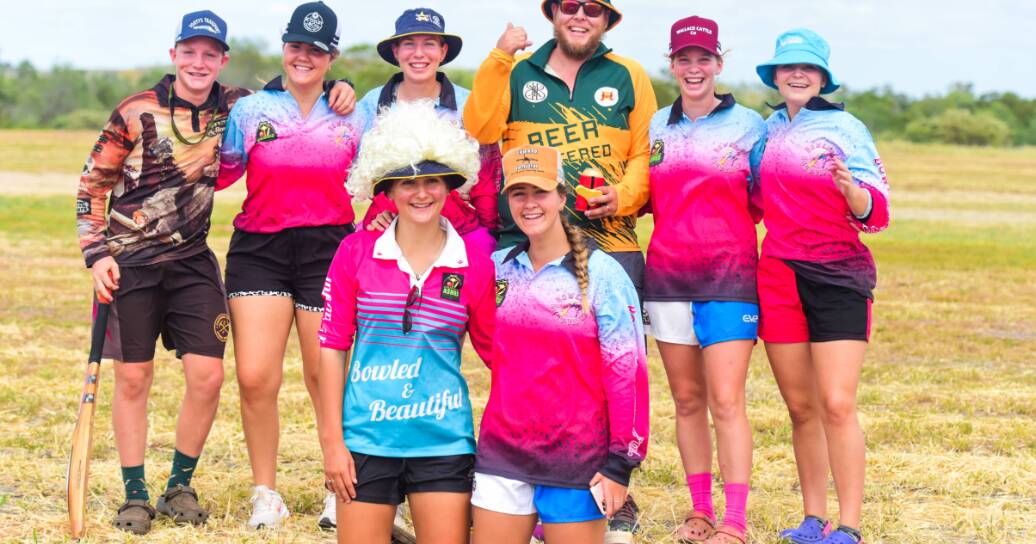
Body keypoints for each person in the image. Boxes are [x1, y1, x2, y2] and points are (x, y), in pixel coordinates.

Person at [75, 8, 352, 534]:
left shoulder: (236, 106)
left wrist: (341, 85)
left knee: (208, 376)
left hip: (192, 262)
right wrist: (97, 254)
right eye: (189, 52)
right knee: (134, 377)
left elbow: (294, 94)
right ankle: (136, 493)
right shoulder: (135, 111)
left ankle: (179, 484)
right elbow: (91, 185)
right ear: (174, 55)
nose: (198, 62)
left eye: (210, 54)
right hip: (130, 262)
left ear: (223, 61)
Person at [317, 100, 496, 544]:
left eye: (433, 180)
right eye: (407, 182)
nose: (421, 193)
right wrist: (333, 446)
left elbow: (499, 354)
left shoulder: (474, 260)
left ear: (450, 186)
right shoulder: (355, 251)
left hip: (444, 441)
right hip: (365, 441)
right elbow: (332, 347)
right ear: (389, 190)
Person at [216, 1, 364, 530]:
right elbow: (218, 174)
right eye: (296, 46)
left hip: (329, 249)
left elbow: (377, 181)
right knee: (256, 377)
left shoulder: (354, 112)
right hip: (260, 248)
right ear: (284, 49)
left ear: (331, 57)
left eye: (317, 50)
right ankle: (266, 494)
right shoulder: (250, 111)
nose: (304, 57)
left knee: (324, 376)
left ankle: (339, 487)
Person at [470, 145, 649, 544]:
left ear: (562, 197)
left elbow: (628, 375)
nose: (529, 204)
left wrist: (621, 463)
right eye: (519, 193)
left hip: (577, 457)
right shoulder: (497, 268)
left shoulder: (604, 274)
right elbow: (490, 346)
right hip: (503, 451)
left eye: (540, 192)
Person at [754, 29, 890, 544]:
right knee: (800, 406)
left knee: (836, 402)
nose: (796, 75)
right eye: (787, 67)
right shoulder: (766, 129)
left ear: (823, 77)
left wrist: (854, 193)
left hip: (838, 276)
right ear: (774, 76)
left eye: (807, 68)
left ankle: (849, 527)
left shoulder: (846, 128)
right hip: (780, 274)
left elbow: (878, 213)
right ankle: (813, 520)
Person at [645, 16, 767, 544]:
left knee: (726, 400)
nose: (694, 69)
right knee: (687, 400)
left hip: (730, 277)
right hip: (667, 276)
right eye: (684, 59)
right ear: (671, 64)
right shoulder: (654, 126)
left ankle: (735, 521)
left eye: (704, 59)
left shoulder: (750, 126)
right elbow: (645, 196)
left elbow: (763, 201)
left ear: (720, 63)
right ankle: (699, 512)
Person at [463, 0, 655, 307]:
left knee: (619, 350)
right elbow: (480, 132)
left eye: (592, 9)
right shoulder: (517, 69)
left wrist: (622, 195)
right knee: (528, 349)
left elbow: (645, 152)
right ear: (554, 12)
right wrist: (499, 57)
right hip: (528, 244)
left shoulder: (629, 74)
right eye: (569, 6)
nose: (579, 15)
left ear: (607, 19)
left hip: (611, 242)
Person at [357, 7, 501, 256]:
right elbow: (359, 172)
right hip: (388, 226)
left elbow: (488, 177)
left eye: (430, 44)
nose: (419, 54)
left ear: (443, 51)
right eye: (409, 44)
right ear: (396, 51)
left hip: (458, 232)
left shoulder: (469, 105)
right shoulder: (371, 104)